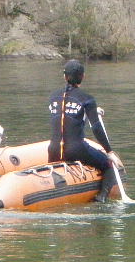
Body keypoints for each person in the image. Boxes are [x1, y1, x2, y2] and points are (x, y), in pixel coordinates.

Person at [48, 59, 124, 200]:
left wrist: (92, 111)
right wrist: (109, 151)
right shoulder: (87, 99)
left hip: (53, 150)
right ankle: (101, 198)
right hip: (76, 150)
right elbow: (96, 128)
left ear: (64, 76)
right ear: (83, 76)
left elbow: (65, 112)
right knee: (109, 166)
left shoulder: (53, 97)